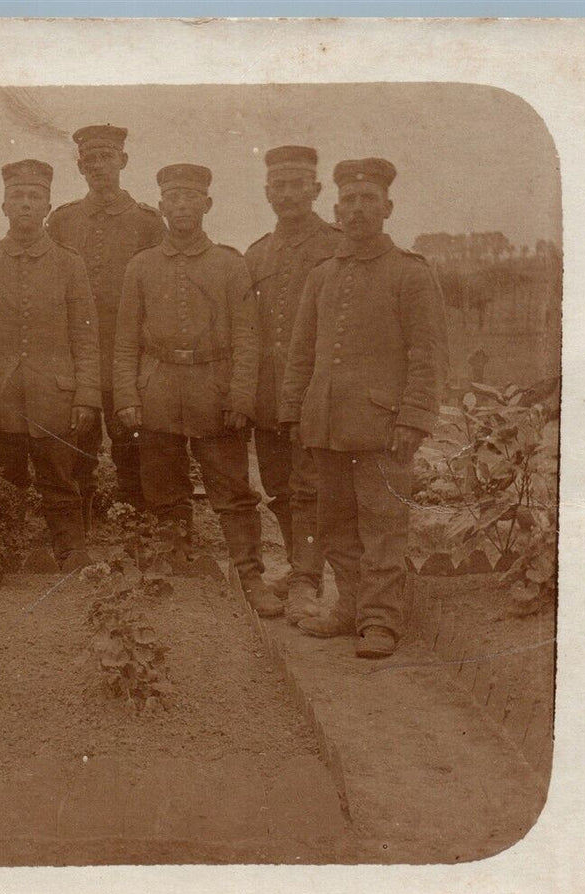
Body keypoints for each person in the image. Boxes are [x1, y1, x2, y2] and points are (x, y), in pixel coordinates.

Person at [279, 158, 447, 659]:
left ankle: (380, 621)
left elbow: (427, 354)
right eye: (348, 201)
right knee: (336, 524)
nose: (356, 209)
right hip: (326, 425)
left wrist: (413, 418)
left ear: (387, 207)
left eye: (367, 199)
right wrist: (294, 413)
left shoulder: (410, 274)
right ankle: (349, 607)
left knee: (383, 525)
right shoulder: (323, 276)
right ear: (336, 208)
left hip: (382, 429)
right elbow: (301, 352)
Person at [114, 163, 276, 615]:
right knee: (163, 487)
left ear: (207, 204)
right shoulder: (141, 266)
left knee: (232, 490)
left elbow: (247, 336)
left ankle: (250, 576)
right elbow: (126, 337)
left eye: (191, 198)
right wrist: (127, 394)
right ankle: (178, 570)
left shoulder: (229, 263)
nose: (182, 207)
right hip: (158, 388)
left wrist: (242, 395)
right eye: (173, 199)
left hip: (215, 388)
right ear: (162, 207)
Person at [0, 158, 100, 571]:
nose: (25, 204)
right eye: (17, 196)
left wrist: (85, 395)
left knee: (60, 479)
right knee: (2, 481)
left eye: (34, 197)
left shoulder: (70, 263)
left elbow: (85, 338)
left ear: (47, 207)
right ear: (3, 206)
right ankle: (2, 550)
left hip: (55, 396)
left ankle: (70, 550)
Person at [244, 145, 344, 623]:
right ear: (267, 193)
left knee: (311, 487)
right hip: (269, 393)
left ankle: (306, 578)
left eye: (297, 185)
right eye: (279, 186)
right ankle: (299, 565)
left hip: (315, 392)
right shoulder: (257, 252)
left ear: (316, 190)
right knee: (280, 486)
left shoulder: (337, 245)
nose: (288, 194)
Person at [46, 124, 166, 517]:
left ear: (123, 161)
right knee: (76, 439)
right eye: (90, 159)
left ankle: (137, 525)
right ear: (81, 167)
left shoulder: (147, 221)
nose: (99, 166)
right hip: (75, 353)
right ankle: (82, 521)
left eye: (107, 157)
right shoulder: (62, 221)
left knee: (131, 442)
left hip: (126, 352)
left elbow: (161, 287)